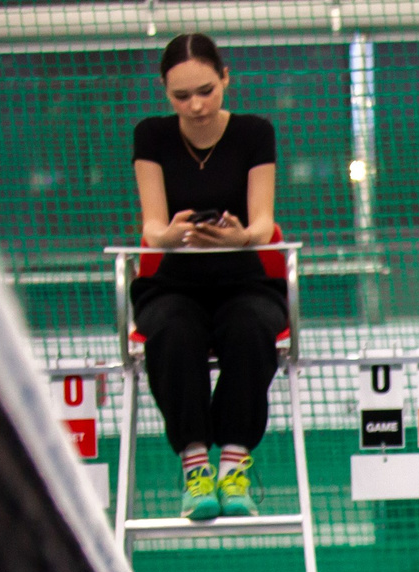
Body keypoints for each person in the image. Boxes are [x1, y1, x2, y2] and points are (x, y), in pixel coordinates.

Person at [131, 35, 286, 522]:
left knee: (250, 327)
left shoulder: (255, 133)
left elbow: (264, 222)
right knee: (173, 331)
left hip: (244, 279)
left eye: (205, 90)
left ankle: (235, 465)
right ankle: (196, 467)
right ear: (164, 92)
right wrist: (172, 236)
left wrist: (241, 236)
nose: (195, 105)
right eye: (181, 96)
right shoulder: (151, 136)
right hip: (175, 284)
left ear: (225, 78)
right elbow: (152, 227)